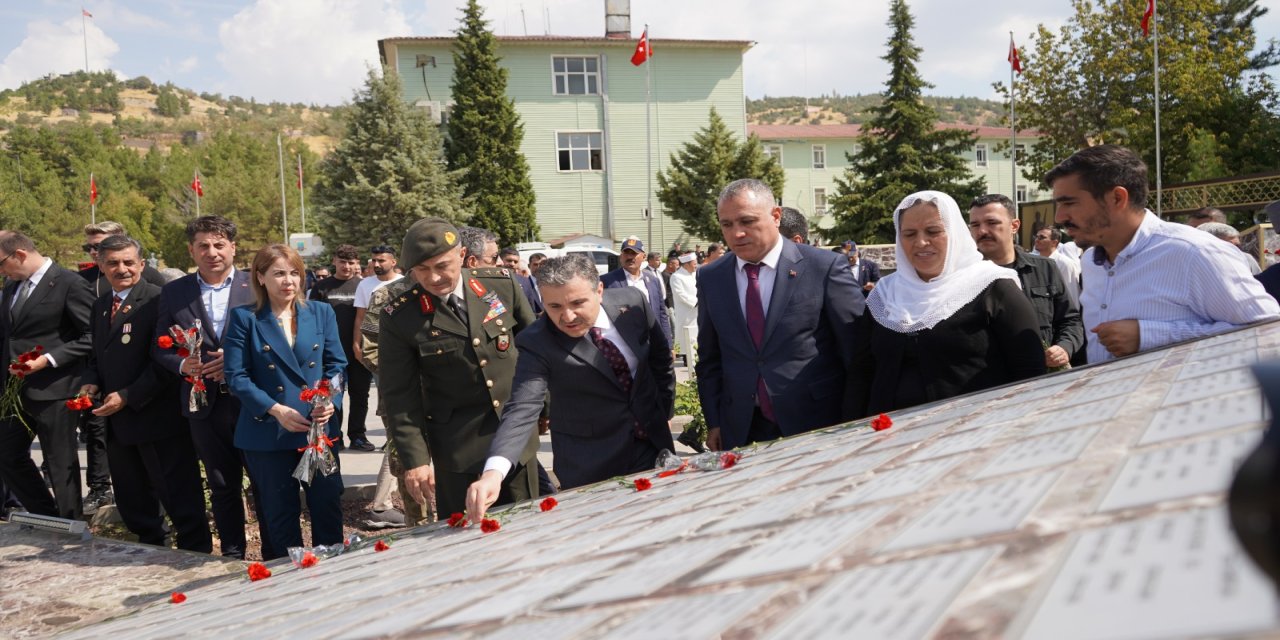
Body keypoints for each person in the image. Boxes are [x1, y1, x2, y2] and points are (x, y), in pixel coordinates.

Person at [466, 254, 676, 518]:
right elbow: (523, 407)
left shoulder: (632, 304)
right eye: (554, 306)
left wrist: (664, 411)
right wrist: (493, 473)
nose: (567, 316)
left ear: (599, 290)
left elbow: (660, 362)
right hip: (591, 461)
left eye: (578, 303)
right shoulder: (537, 341)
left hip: (653, 444)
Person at [1046, 145, 1279, 362]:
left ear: (1117, 198)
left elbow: (1268, 331)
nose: (1059, 217)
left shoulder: (1194, 253)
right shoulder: (1091, 262)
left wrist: (1152, 335)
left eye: (1069, 203)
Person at [379, 218, 539, 518]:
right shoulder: (400, 317)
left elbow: (536, 351)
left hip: (516, 437)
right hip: (458, 452)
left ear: (462, 255)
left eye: (442, 266)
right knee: (468, 538)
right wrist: (416, 459)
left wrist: (543, 409)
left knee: (528, 529)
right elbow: (400, 395)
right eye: (422, 270)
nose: (434, 277)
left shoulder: (501, 286)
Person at [696, 179, 864, 451]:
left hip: (817, 421)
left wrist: (857, 415)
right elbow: (710, 358)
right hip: (743, 427)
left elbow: (855, 350)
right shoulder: (711, 277)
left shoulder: (823, 267)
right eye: (727, 225)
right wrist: (715, 421)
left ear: (776, 216)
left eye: (747, 222)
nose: (736, 233)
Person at [851, 191, 1046, 416]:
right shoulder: (884, 295)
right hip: (889, 438)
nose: (921, 242)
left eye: (933, 231)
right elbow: (862, 373)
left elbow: (1029, 370)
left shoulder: (993, 286)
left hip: (975, 433)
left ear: (955, 233)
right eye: (909, 233)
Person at [80, 235, 211, 552]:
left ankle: (196, 555)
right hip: (118, 422)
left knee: (179, 495)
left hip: (157, 417)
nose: (121, 269)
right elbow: (99, 357)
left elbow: (166, 362)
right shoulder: (100, 306)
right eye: (112, 263)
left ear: (141, 264)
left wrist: (127, 395)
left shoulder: (159, 300)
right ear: (100, 265)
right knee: (133, 497)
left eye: (128, 262)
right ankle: (152, 549)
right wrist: (90, 382)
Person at [154, 215, 268, 559]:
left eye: (219, 244)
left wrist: (237, 361)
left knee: (265, 483)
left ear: (233, 247)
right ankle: (232, 556)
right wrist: (181, 363)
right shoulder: (174, 292)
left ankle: (277, 553)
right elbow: (159, 346)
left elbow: (281, 337)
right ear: (191, 250)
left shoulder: (258, 284)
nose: (212, 252)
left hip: (254, 402)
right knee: (222, 485)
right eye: (203, 245)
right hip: (202, 405)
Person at [223, 244, 347, 559]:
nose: (288, 281)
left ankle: (335, 573)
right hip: (268, 431)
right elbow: (236, 376)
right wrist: (275, 409)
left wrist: (329, 398)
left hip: (316, 429)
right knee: (279, 513)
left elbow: (337, 366)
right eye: (279, 273)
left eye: (295, 273)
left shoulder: (321, 312)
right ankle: (284, 582)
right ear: (260, 277)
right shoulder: (244, 318)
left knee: (328, 504)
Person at [0, 231, 94, 520]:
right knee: (7, 453)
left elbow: (92, 335)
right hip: (16, 391)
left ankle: (71, 526)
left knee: (59, 461)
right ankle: (46, 515)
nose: (0, 271)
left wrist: (49, 359)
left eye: (1, 263)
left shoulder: (69, 283)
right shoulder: (12, 285)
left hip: (56, 387)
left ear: (20, 255)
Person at [969, 194, 1084, 370]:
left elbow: (1070, 320)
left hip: (1045, 378)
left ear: (1014, 226)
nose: (982, 231)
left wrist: (1064, 348)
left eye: (992, 223)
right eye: (975, 225)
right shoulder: (965, 277)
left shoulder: (1045, 269)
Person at [308, 245, 368, 449]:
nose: (347, 266)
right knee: (334, 398)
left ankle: (358, 436)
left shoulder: (363, 286)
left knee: (360, 396)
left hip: (358, 353)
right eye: (342, 261)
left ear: (357, 263)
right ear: (334, 261)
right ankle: (335, 436)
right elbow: (311, 319)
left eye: (351, 262)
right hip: (332, 355)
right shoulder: (322, 287)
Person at [347, 245, 401, 452]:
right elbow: (360, 317)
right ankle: (388, 436)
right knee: (380, 396)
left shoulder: (404, 283)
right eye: (374, 260)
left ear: (393, 262)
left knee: (396, 395)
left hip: (398, 350)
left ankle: (397, 437)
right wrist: (356, 343)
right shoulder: (365, 285)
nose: (377, 264)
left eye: (382, 260)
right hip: (374, 350)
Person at [601, 238, 672, 345]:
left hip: (652, 341)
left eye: (634, 253)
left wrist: (668, 344)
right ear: (621, 256)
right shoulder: (607, 281)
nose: (630, 257)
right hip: (623, 342)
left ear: (643, 257)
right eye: (626, 253)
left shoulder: (653, 281)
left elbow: (661, 314)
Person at [1032, 227, 1082, 300]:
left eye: (1041, 237)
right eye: (1036, 237)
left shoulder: (1065, 264)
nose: (1037, 240)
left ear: (1054, 242)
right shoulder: (1033, 261)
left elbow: (1071, 294)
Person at [1198, 222, 1262, 275]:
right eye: (1229, 247)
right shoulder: (1196, 265)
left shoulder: (1247, 259)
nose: (1235, 251)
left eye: (1237, 246)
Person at [669, 252, 699, 367]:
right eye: (694, 264)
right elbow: (680, 294)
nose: (696, 266)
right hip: (686, 312)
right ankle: (688, 361)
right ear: (686, 264)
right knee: (686, 338)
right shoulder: (676, 276)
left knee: (697, 338)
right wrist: (696, 302)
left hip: (698, 312)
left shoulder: (695, 274)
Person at [501, 246, 543, 315]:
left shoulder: (525, 282)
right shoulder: (490, 280)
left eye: (515, 262)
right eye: (509, 260)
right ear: (500, 260)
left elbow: (531, 310)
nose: (512, 264)